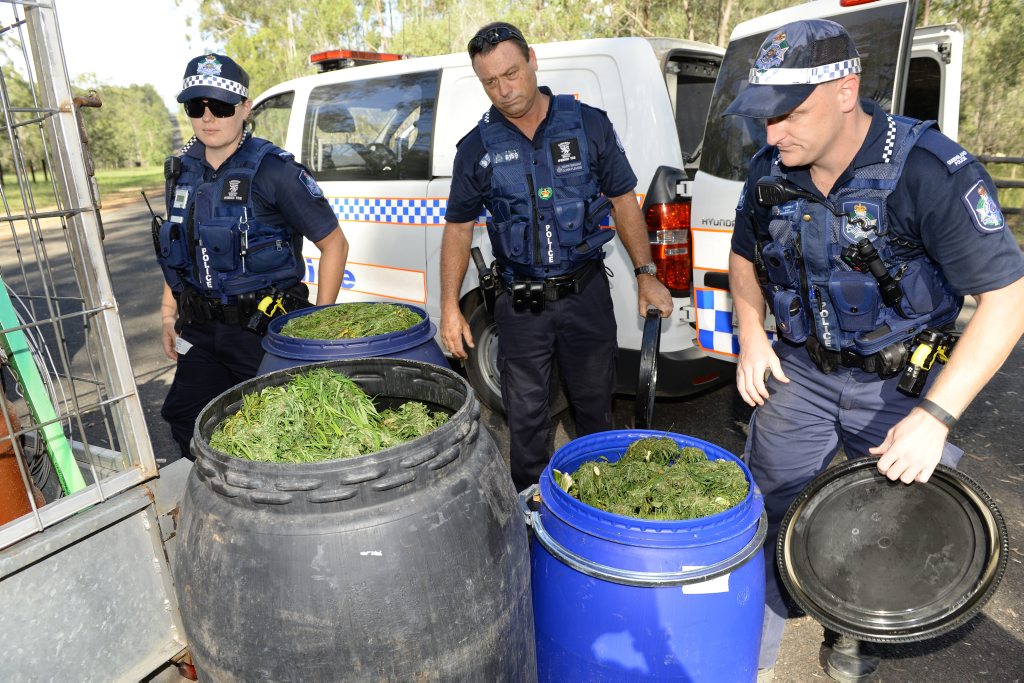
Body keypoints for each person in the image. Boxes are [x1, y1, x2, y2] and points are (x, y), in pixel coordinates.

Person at [724, 19, 1024, 681]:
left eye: (790, 115)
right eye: (764, 120)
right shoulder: (770, 169)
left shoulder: (930, 172)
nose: (773, 135)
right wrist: (750, 333)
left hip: (904, 388)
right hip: (800, 370)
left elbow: (1009, 298)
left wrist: (937, 417)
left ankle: (854, 634)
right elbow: (742, 258)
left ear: (845, 90)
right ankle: (758, 657)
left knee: (887, 524)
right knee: (768, 509)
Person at [439, 23, 673, 491]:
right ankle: (532, 517)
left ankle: (603, 506)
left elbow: (623, 201)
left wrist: (647, 274)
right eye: (490, 82)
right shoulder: (476, 148)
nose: (504, 90)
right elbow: (459, 228)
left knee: (595, 410)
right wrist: (448, 306)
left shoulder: (587, 125)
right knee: (526, 424)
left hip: (585, 294)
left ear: (532, 59)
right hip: (519, 305)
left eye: (511, 73)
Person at [157, 53, 348, 460]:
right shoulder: (182, 171)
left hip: (263, 331)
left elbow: (334, 244)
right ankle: (229, 502)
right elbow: (178, 245)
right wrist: (166, 314)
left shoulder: (274, 171)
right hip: (202, 328)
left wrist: (319, 325)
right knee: (185, 417)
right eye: (196, 106)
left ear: (244, 109)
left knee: (286, 431)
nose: (208, 118)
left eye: (221, 107)